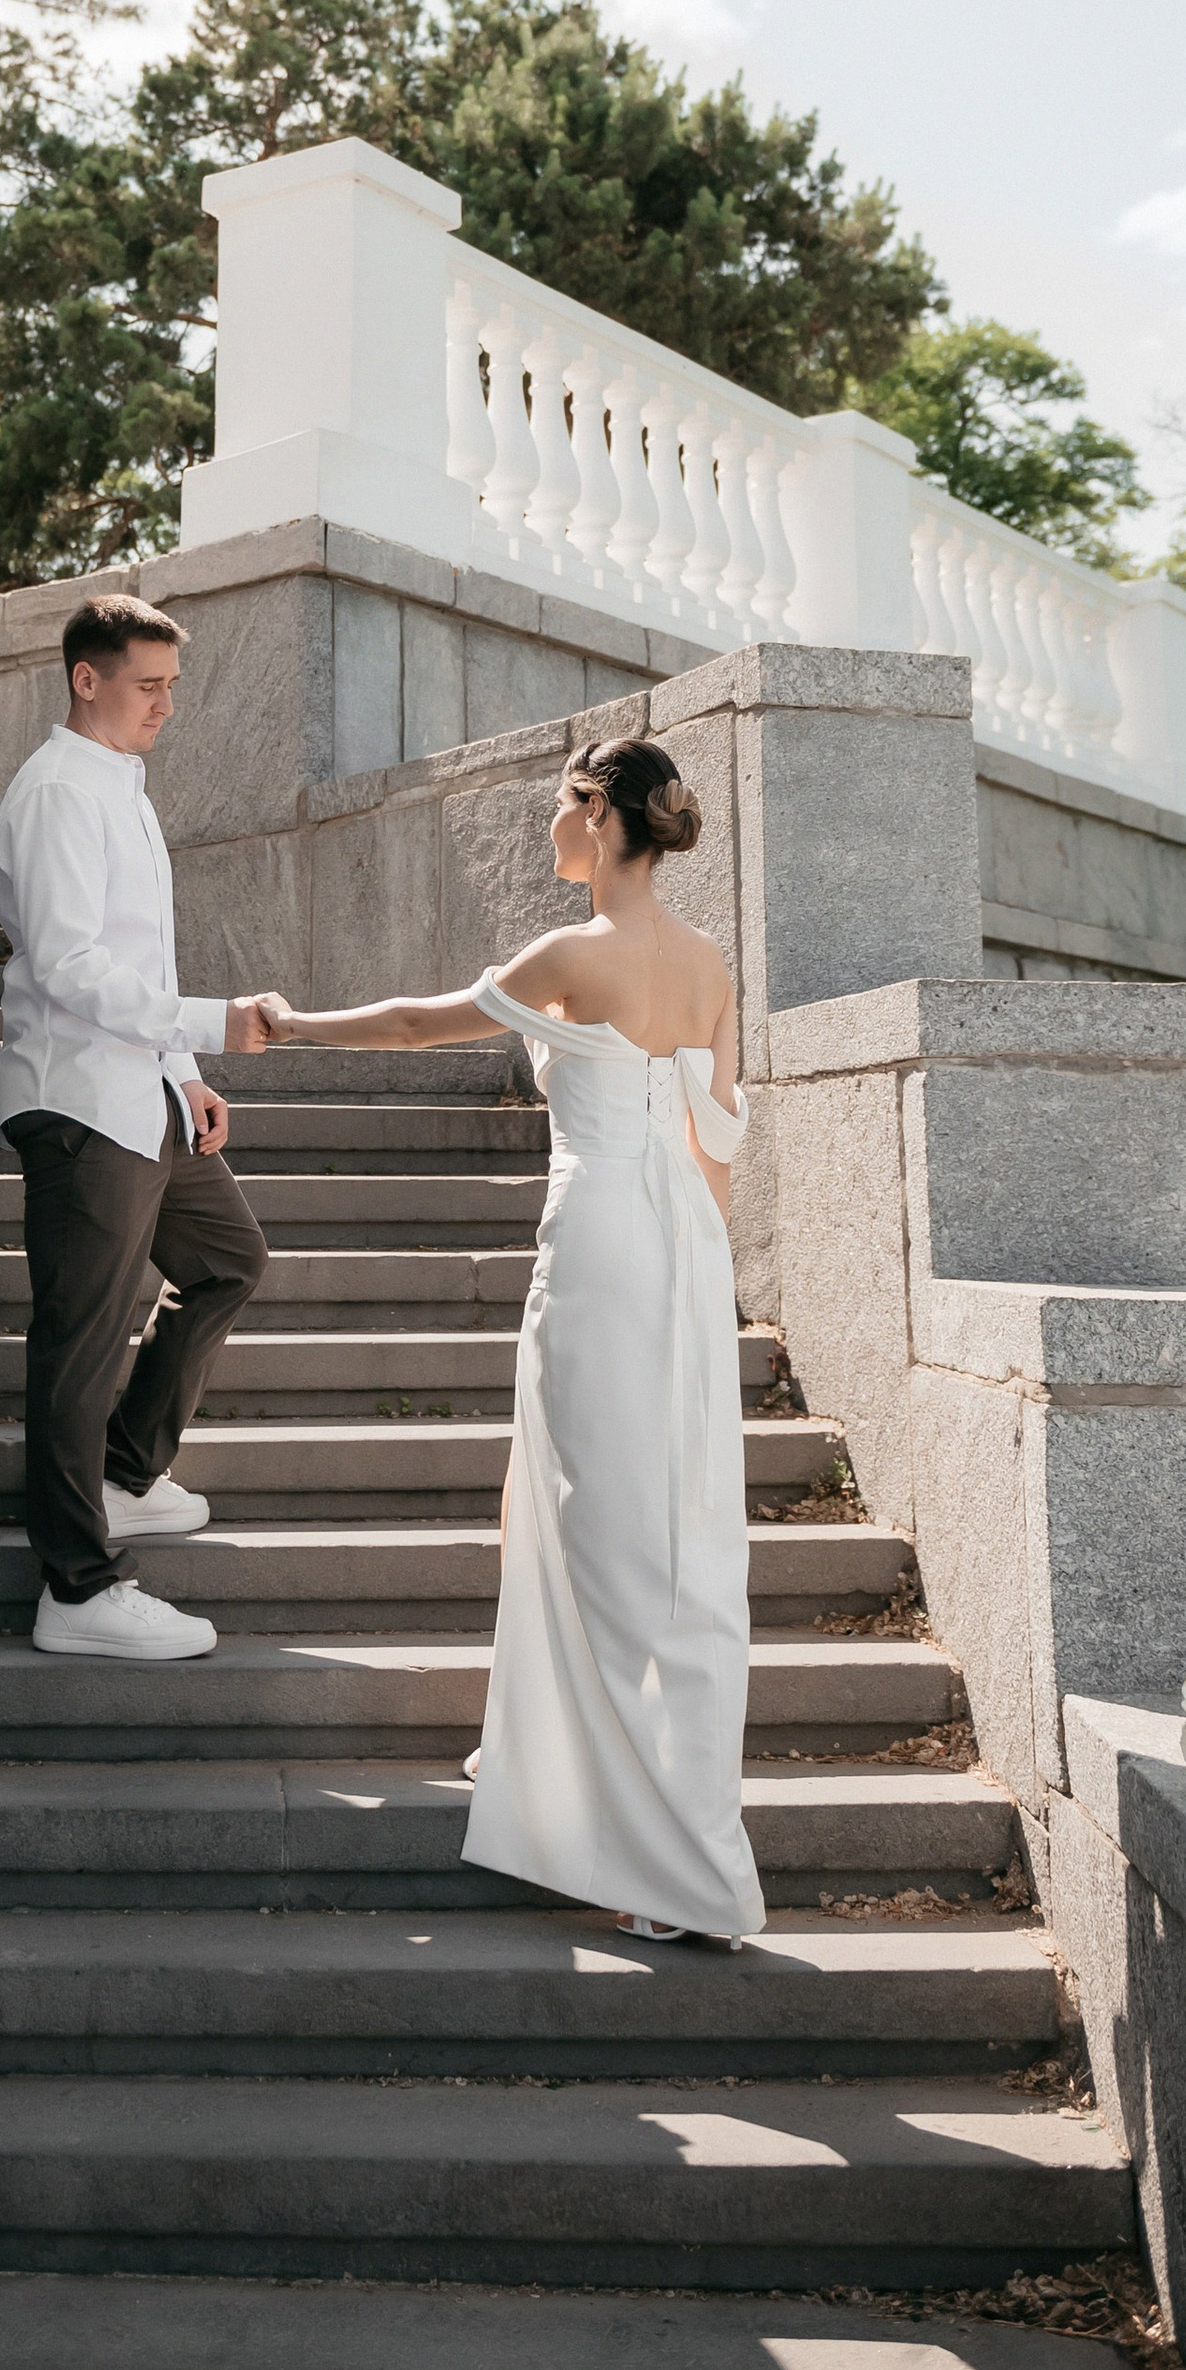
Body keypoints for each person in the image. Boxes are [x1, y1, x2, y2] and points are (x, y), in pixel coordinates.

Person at [254, 733, 765, 1944]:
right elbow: (721, 1138)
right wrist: (708, 1280)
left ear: (598, 814)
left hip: (598, 1238)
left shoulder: (572, 951)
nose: (549, 826)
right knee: (662, 1520)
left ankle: (653, 1857)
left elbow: (415, 1024)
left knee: (603, 1528)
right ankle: (567, 1774)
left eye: (559, 805)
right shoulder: (707, 963)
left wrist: (292, 1023)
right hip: (686, 1245)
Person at [0, 592, 274, 1664]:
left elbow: (134, 960)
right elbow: (66, 966)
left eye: (171, 686)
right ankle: (77, 1584)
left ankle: (122, 1473)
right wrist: (207, 1022)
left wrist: (184, 1069)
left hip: (141, 1093)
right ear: (86, 677)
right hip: (77, 1106)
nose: (165, 704)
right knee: (81, 1341)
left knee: (229, 1261)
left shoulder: (121, 786)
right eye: (147, 684)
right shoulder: (59, 788)